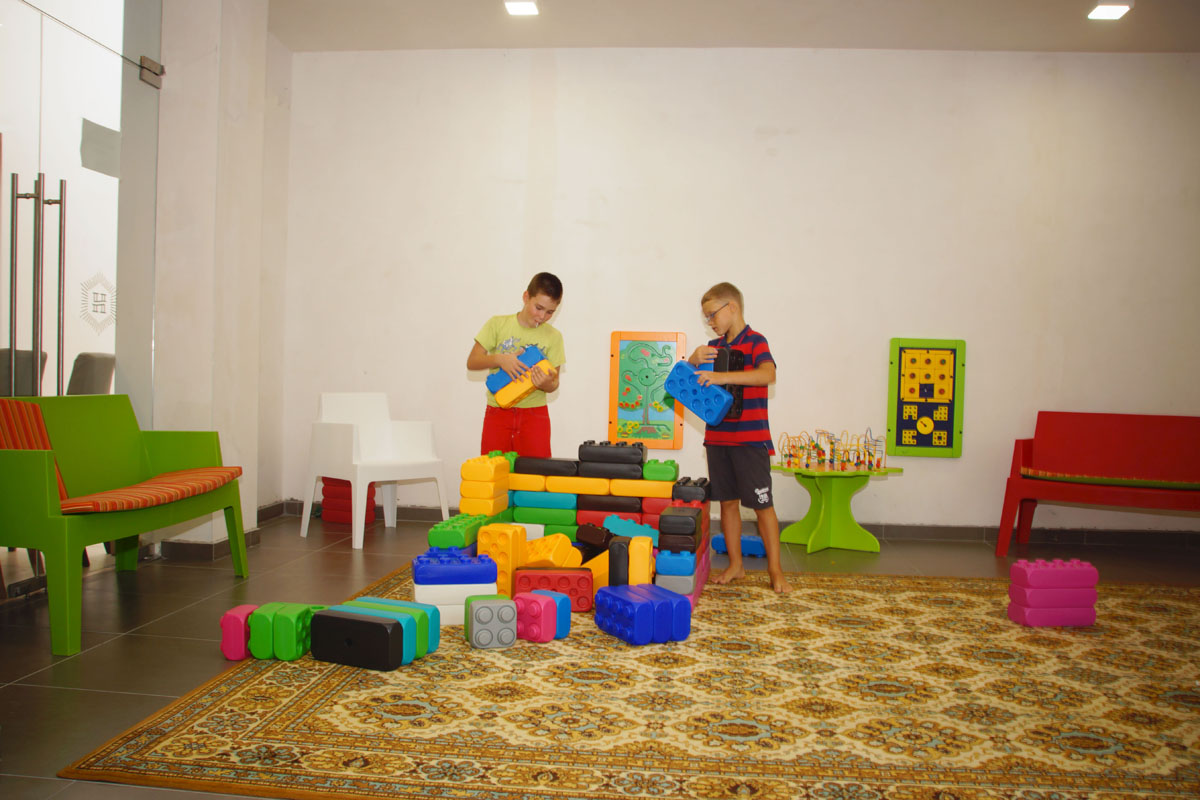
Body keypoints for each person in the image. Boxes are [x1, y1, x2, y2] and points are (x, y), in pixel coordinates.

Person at [688, 282, 791, 593]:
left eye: (712, 315)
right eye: (706, 317)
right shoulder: (712, 347)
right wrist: (692, 360)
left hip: (750, 440)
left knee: (763, 505)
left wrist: (722, 377)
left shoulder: (756, 341)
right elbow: (689, 383)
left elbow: (768, 374)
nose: (710, 322)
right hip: (718, 439)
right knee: (727, 504)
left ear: (731, 307)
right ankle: (736, 565)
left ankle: (776, 570)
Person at [466, 272, 565, 458]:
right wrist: (500, 359)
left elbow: (554, 383)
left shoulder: (554, 337)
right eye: (539, 308)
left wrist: (545, 383)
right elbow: (472, 361)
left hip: (535, 415)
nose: (542, 316)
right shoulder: (497, 324)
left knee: (536, 472)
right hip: (498, 412)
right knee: (494, 469)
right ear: (526, 297)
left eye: (550, 312)